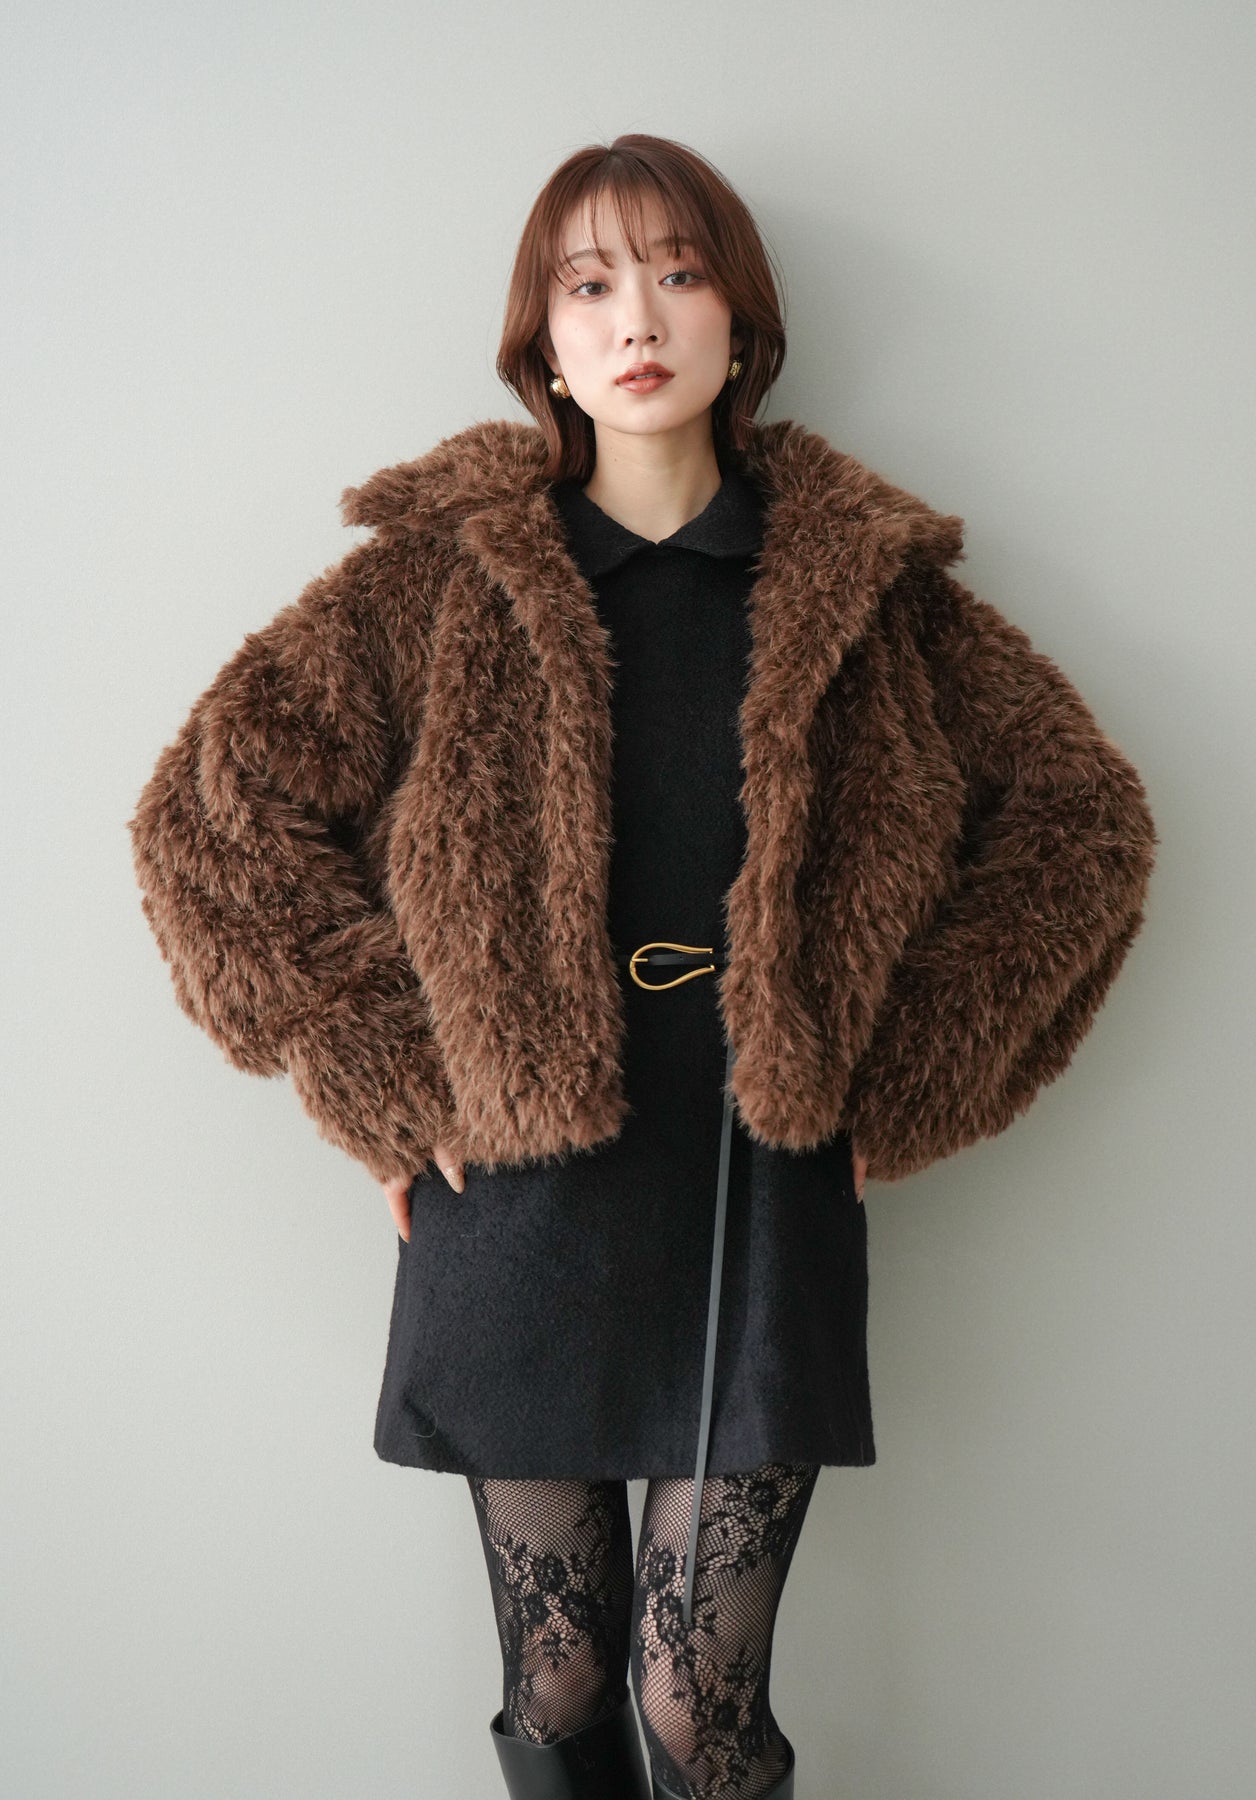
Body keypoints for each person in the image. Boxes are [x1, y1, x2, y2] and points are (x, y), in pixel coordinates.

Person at [126, 134, 1158, 1800]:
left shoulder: (860, 588)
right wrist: (385, 1074)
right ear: (540, 343)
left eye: (678, 274)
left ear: (741, 324)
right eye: (588, 285)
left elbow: (1081, 826)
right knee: (557, 1688)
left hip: (755, 1170)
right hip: (523, 1183)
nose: (637, 320)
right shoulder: (437, 579)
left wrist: (904, 1081)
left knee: (697, 1707)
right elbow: (210, 822)